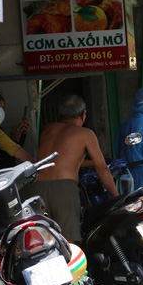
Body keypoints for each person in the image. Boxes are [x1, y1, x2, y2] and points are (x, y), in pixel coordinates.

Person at [25, 95, 119, 245]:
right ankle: (71, 268)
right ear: (84, 115)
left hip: (37, 188)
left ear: (59, 115)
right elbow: (103, 169)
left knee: (41, 241)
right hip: (64, 190)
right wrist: (117, 197)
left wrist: (89, 164)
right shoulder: (86, 134)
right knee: (69, 242)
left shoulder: (47, 129)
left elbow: (59, 160)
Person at [0, 93, 34, 167]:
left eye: (2, 108)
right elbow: (4, 162)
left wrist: (19, 137)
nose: (1, 112)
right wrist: (16, 139)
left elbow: (15, 150)